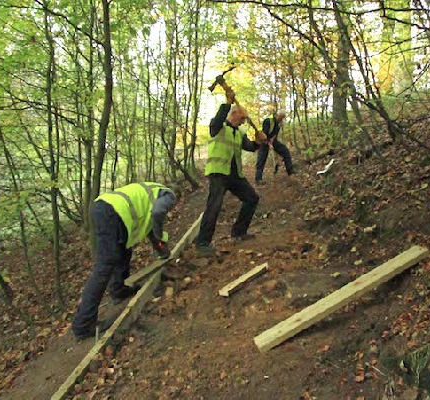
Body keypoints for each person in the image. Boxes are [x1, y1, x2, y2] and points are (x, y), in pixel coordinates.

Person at [72, 182, 178, 340]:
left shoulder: (151, 192)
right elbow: (157, 213)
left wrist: (162, 251)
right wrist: (161, 235)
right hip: (112, 213)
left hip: (107, 210)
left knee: (123, 251)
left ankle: (118, 291)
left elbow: (151, 229)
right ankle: (83, 324)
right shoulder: (169, 194)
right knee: (104, 266)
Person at [195, 89, 265, 255]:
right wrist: (227, 102)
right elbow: (216, 122)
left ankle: (239, 232)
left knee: (252, 198)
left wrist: (258, 142)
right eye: (241, 119)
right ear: (233, 114)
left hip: (235, 175)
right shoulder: (218, 127)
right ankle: (202, 243)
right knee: (214, 206)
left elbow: (250, 147)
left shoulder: (239, 133)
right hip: (219, 174)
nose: (243, 122)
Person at [255, 110, 294, 184]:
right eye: (280, 117)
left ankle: (290, 171)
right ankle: (258, 179)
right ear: (277, 115)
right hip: (263, 141)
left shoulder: (279, 123)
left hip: (272, 140)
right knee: (261, 159)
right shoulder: (268, 121)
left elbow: (275, 134)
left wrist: (272, 141)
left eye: (282, 118)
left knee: (285, 151)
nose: (281, 119)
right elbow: (264, 135)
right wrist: (269, 144)